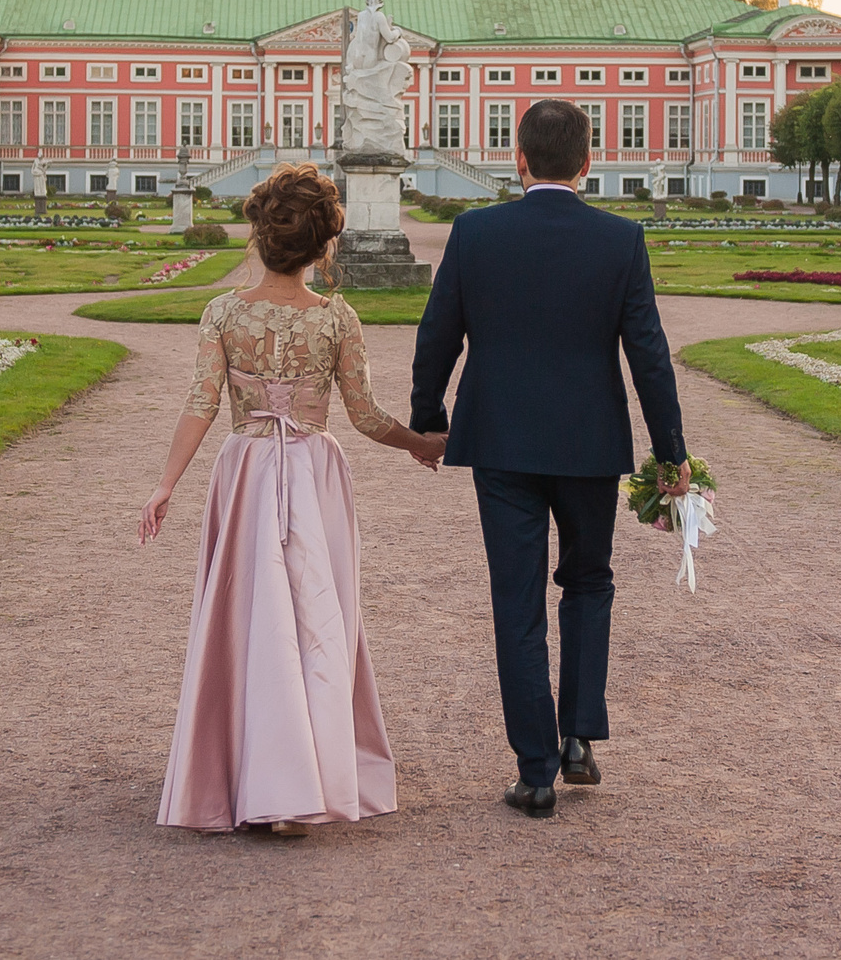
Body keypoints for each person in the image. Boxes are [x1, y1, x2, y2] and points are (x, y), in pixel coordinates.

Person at [144, 163, 446, 836]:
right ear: (324, 244)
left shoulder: (224, 312)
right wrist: (419, 444)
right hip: (313, 470)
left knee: (249, 616)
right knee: (315, 617)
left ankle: (258, 773)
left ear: (258, 234)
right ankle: (307, 776)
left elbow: (201, 403)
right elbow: (365, 416)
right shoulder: (336, 317)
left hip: (247, 470)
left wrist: (166, 484)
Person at [411, 100, 689, 818]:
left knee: (517, 599)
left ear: (519, 160)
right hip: (589, 444)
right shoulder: (621, 238)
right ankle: (578, 737)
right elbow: (649, 354)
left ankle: (535, 771)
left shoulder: (475, 232)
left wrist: (427, 416)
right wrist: (671, 451)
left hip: (501, 439)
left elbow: (438, 332)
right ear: (588, 164)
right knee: (589, 582)